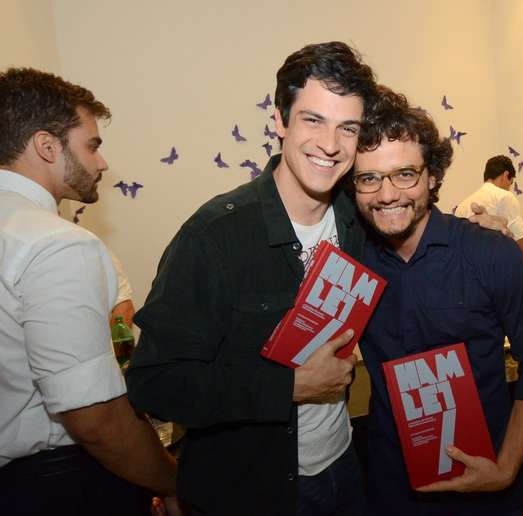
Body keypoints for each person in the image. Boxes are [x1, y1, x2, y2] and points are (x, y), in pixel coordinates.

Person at [126, 41, 377, 516]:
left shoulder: (355, 220)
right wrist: (287, 386)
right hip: (253, 491)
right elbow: (156, 383)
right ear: (280, 120)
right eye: (313, 120)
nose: (330, 144)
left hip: (343, 469)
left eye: (348, 128)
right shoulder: (214, 235)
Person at [351, 87, 523, 515]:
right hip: (391, 490)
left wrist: (505, 468)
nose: (387, 193)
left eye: (405, 174)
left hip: (487, 488)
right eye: (369, 178)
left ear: (431, 176)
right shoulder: (351, 266)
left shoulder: (492, 255)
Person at [0, 67, 177, 515]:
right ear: (46, 145)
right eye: (92, 145)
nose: (101, 163)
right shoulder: (57, 243)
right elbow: (94, 418)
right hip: (57, 484)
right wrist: (174, 481)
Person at [454, 155, 523, 269]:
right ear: (506, 175)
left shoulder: (462, 206)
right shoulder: (504, 197)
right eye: (510, 183)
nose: (509, 188)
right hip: (492, 276)